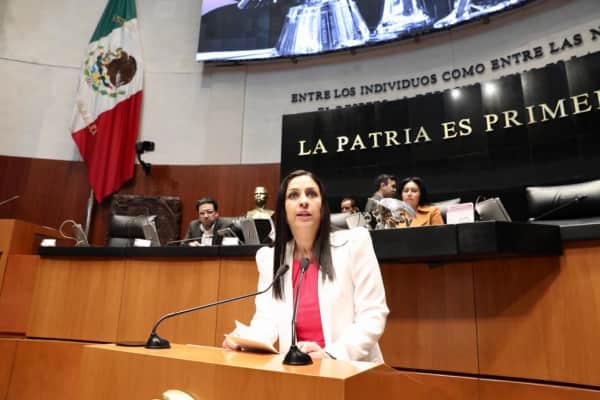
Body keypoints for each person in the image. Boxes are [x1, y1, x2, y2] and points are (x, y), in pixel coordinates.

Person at [223, 170, 389, 362]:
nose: (303, 201)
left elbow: (372, 314)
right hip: (299, 370)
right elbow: (267, 319)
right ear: (283, 209)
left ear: (322, 207)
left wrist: (330, 354)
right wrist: (246, 340)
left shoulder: (355, 244)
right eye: (294, 195)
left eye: (311, 194)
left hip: (350, 367)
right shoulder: (270, 259)